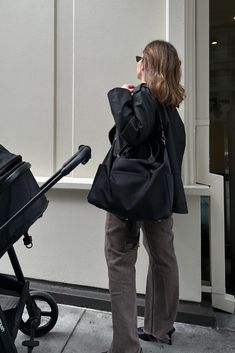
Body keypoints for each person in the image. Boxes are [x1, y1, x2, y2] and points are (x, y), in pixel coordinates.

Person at [102, 40, 188, 353]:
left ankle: (125, 345)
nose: (136, 61)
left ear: (148, 66)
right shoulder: (171, 110)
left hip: (129, 196)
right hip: (159, 199)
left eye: (141, 58)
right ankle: (160, 328)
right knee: (163, 257)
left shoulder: (143, 95)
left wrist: (123, 96)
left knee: (121, 260)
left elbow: (131, 134)